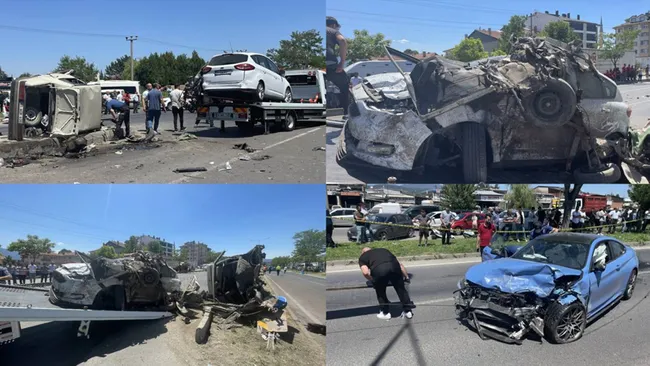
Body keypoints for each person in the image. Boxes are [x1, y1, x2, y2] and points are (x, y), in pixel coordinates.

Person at [358, 247, 414, 320]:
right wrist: (406, 277)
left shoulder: (363, 257)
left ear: (363, 253)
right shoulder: (384, 250)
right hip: (395, 267)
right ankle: (408, 311)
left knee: (380, 291)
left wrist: (373, 280)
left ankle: (385, 313)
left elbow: (365, 272)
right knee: (401, 289)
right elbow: (400, 265)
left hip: (380, 270)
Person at [326, 17, 350, 121]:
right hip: (330, 64)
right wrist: (342, 62)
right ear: (334, 25)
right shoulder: (332, 31)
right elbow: (343, 41)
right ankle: (347, 113)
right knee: (345, 86)